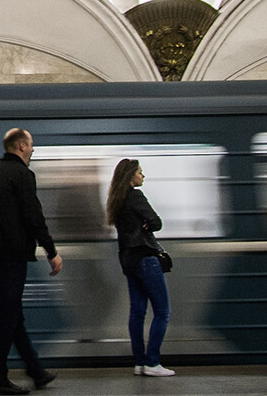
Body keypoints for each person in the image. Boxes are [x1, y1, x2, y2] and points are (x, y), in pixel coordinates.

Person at [0, 128, 60, 396]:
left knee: (14, 315)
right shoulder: (23, 175)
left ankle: (36, 370)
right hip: (13, 256)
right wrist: (51, 250)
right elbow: (33, 216)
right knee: (8, 316)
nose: (33, 149)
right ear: (21, 146)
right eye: (32, 145)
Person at [105, 159, 174, 377]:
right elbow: (156, 222)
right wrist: (147, 223)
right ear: (131, 176)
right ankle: (152, 362)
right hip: (145, 257)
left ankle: (139, 362)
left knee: (137, 312)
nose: (143, 176)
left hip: (128, 260)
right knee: (162, 311)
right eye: (140, 172)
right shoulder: (135, 195)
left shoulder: (117, 199)